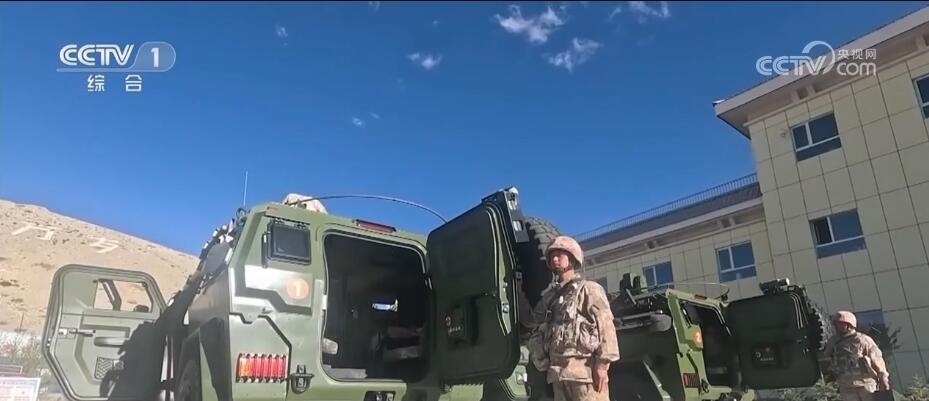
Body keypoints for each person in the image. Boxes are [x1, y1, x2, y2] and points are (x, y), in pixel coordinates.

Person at [527, 235, 620, 401]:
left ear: (572, 258)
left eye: (559, 255)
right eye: (552, 256)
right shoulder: (550, 298)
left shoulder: (589, 289)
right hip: (558, 376)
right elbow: (533, 323)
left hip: (585, 376)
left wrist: (602, 365)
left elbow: (606, 327)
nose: (555, 259)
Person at [823, 310, 891, 401]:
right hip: (845, 385)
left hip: (865, 383)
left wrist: (883, 376)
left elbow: (876, 358)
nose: (837, 326)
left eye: (840, 324)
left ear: (849, 324)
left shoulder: (862, 339)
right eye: (837, 324)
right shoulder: (833, 342)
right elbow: (826, 358)